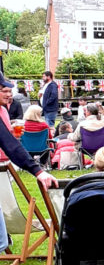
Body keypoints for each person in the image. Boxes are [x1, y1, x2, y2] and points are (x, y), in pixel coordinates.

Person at [0, 91, 60, 255]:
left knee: (1, 240)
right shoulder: (43, 126)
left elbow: (9, 142)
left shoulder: (5, 111)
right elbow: (9, 143)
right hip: (19, 157)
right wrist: (38, 171)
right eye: (3, 90)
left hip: (8, 159)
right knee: (1, 240)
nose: (8, 94)